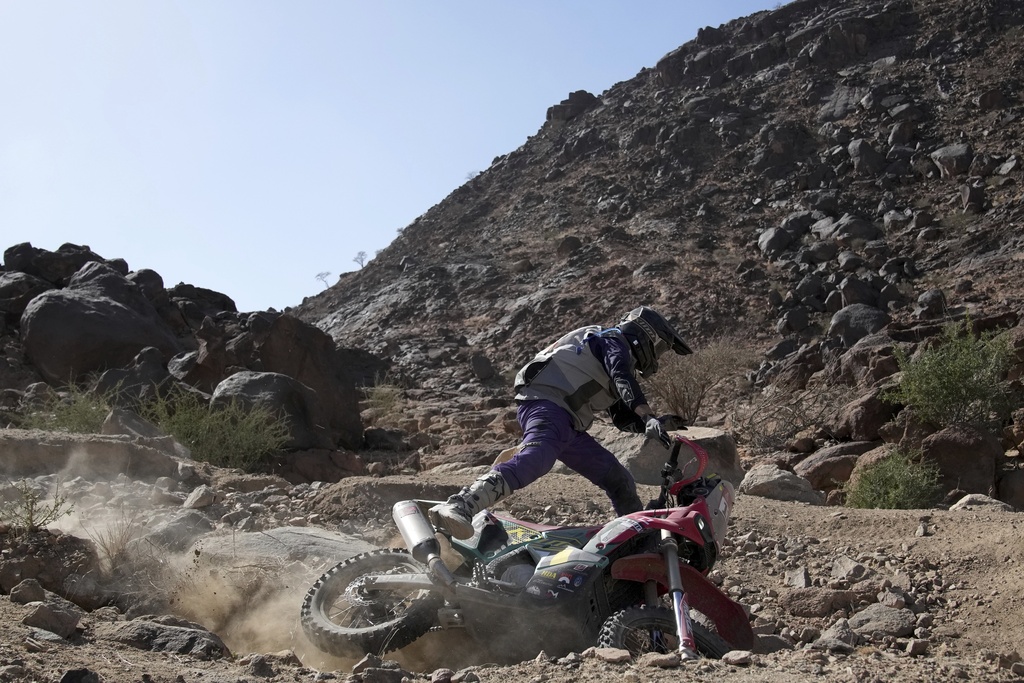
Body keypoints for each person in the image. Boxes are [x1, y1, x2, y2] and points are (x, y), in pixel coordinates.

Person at [429, 306, 692, 540]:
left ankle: (636, 540)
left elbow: (623, 419)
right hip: (547, 405)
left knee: (619, 479)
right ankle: (460, 505)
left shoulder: (608, 356)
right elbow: (622, 376)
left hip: (568, 425)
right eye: (659, 347)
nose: (657, 356)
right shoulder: (614, 340)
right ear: (645, 334)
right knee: (538, 457)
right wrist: (647, 414)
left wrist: (657, 422)